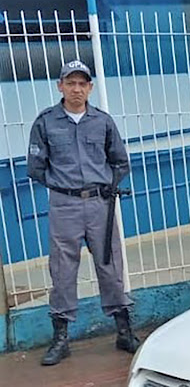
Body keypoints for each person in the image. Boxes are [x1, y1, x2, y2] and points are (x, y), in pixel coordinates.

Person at [27, 60, 139, 366]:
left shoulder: (102, 122)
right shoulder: (46, 122)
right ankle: (61, 338)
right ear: (60, 86)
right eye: (70, 83)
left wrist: (105, 187)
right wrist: (64, 187)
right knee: (62, 269)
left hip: (100, 204)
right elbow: (36, 167)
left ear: (90, 87)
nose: (76, 89)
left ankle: (124, 331)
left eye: (82, 84)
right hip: (65, 205)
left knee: (110, 265)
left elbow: (120, 161)